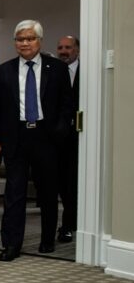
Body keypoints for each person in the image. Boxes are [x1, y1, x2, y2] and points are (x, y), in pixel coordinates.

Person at [0, 20, 73, 261]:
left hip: (47, 137)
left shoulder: (56, 68)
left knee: (47, 191)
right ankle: (11, 245)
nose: (24, 43)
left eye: (29, 38)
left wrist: (58, 132)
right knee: (14, 193)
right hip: (15, 137)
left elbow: (67, 105)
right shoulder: (3, 70)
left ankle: (47, 239)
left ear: (39, 41)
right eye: (19, 39)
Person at [56, 35, 80, 243]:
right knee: (63, 183)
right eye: (60, 47)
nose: (64, 51)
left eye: (68, 47)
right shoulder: (53, 71)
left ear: (77, 50)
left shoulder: (86, 71)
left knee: (75, 183)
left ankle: (71, 224)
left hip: (82, 138)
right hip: (57, 138)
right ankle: (66, 225)